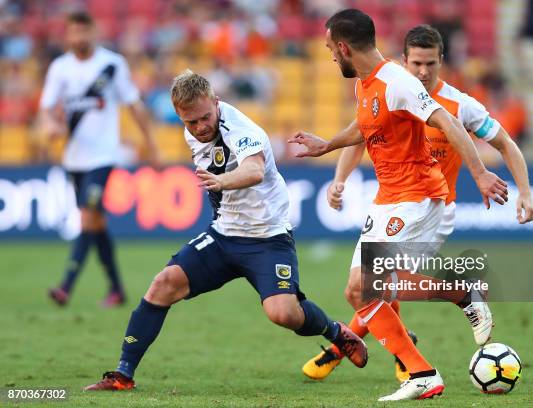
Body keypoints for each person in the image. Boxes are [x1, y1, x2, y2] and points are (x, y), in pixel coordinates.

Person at [83, 70, 368, 391]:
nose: (201, 126)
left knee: (284, 313)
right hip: (224, 236)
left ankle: (336, 332)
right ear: (179, 115)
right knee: (164, 284)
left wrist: (222, 181)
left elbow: (254, 169)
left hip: (268, 239)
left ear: (217, 102)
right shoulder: (193, 127)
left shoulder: (241, 129)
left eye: (206, 117)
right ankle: (123, 374)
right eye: (191, 122)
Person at [288, 10, 508, 401]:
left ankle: (431, 352)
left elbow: (450, 123)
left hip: (417, 195)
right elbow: (363, 126)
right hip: (390, 198)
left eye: (329, 50)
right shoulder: (364, 83)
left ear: (343, 47)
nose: (330, 58)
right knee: (366, 291)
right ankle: (430, 355)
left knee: (364, 287)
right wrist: (328, 144)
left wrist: (479, 174)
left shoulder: (397, 82)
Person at [41, 11, 160, 307]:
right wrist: (51, 126)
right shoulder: (60, 68)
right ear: (67, 35)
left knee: (87, 217)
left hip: (104, 156)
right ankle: (117, 289)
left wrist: (151, 144)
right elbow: (46, 108)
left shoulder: (111, 64)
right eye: (74, 32)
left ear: (93, 32)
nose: (80, 37)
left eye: (84, 31)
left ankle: (66, 286)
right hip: (74, 158)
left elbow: (133, 104)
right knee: (96, 223)